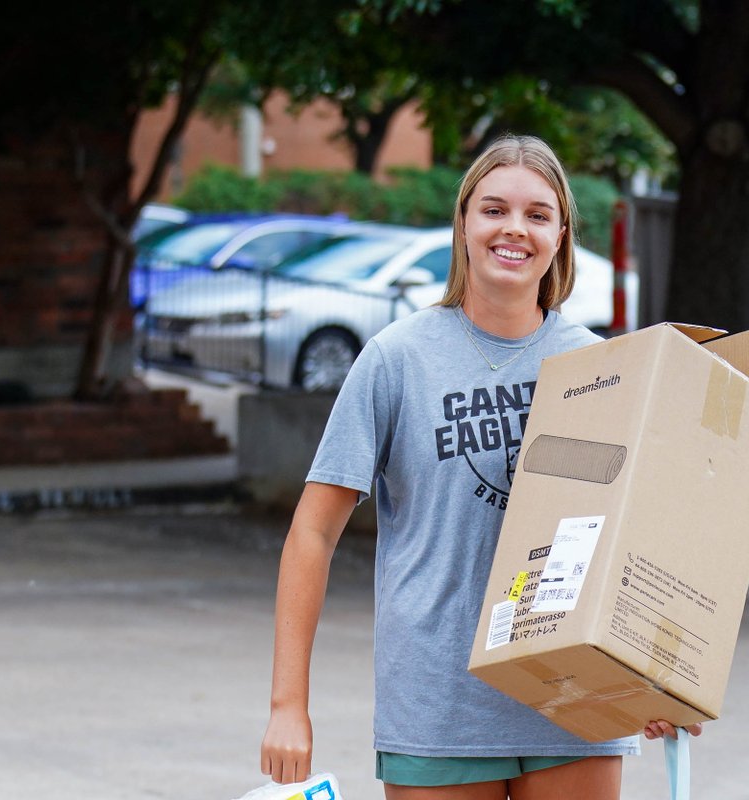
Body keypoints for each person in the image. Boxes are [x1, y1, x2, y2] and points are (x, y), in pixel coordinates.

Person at [260, 134, 701, 799]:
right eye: (494, 209)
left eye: (537, 214)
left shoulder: (600, 367)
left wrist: (656, 674)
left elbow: (638, 537)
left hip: (572, 703)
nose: (513, 229)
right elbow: (313, 534)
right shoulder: (395, 359)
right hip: (439, 705)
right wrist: (287, 705)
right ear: (463, 223)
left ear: (560, 237)